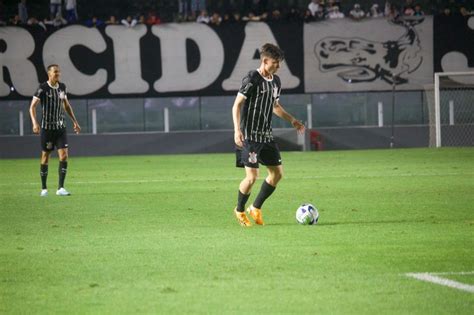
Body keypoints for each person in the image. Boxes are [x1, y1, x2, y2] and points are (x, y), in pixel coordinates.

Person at [232, 43, 305, 227]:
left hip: (266, 136)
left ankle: (255, 207)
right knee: (251, 177)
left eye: (279, 63)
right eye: (275, 62)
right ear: (265, 61)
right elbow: (237, 105)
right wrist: (237, 130)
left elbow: (275, 106)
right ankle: (240, 210)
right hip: (250, 136)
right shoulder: (252, 78)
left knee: (277, 174)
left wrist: (292, 120)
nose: (278, 66)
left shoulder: (276, 82)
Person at [29, 64, 81, 197]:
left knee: (64, 156)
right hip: (47, 129)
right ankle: (44, 188)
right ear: (49, 74)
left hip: (60, 129)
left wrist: (75, 122)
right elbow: (32, 107)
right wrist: (35, 123)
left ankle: (61, 188)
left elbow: (66, 105)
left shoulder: (62, 87)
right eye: (55, 72)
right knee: (45, 156)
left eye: (59, 72)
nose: (57, 74)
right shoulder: (43, 88)